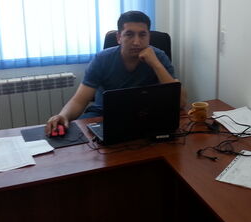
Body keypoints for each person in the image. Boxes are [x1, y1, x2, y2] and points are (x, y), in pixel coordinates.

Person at [45, 11, 186, 135]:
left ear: (149, 37)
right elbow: (79, 100)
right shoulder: (102, 59)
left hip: (146, 114)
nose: (136, 42)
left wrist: (156, 64)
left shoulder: (158, 56)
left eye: (142, 35)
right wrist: (63, 115)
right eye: (129, 34)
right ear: (119, 37)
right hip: (104, 115)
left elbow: (180, 102)